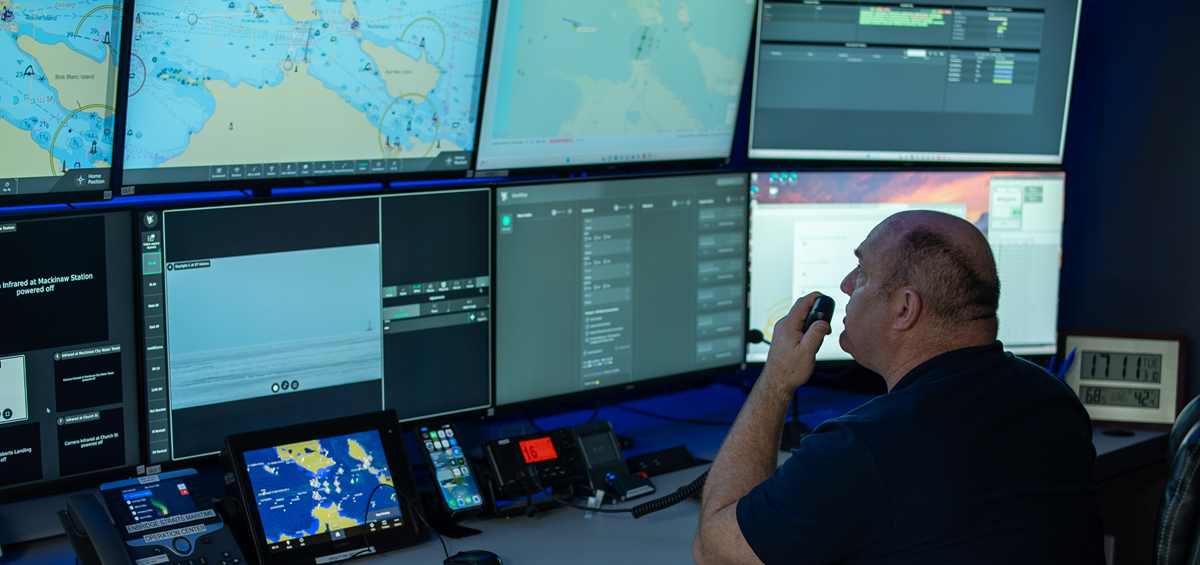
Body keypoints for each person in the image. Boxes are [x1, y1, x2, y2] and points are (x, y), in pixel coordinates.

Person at [693, 210, 1104, 565]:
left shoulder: (864, 448)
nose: (845, 285)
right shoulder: (1054, 401)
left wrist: (776, 381)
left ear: (905, 309)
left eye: (863, 274)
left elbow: (716, 551)